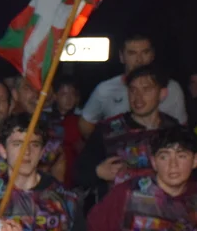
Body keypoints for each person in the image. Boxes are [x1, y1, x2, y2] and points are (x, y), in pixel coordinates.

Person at [75, 65, 181, 199]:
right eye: (133, 90)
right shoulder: (108, 129)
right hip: (118, 208)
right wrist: (98, 172)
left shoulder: (173, 129)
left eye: (146, 90)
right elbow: (78, 173)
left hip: (165, 208)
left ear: (162, 94)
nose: (138, 97)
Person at [78, 34, 187, 138]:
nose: (139, 60)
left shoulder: (172, 88)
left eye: (145, 52)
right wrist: (103, 146)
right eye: (132, 53)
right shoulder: (105, 89)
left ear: (152, 55)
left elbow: (182, 129)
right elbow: (86, 123)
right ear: (121, 57)